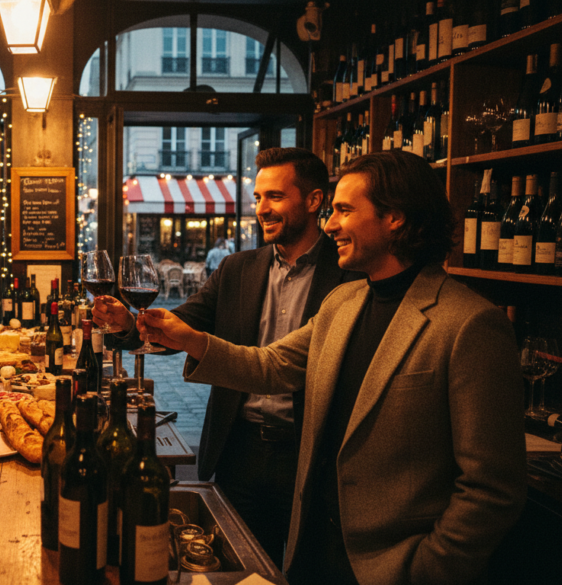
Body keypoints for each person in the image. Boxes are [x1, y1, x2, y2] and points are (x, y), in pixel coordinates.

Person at [138, 151, 527, 585]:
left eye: (344, 210)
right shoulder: (345, 301)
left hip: (394, 566)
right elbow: (271, 366)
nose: (329, 224)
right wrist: (184, 337)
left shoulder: (469, 324)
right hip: (315, 551)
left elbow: (492, 487)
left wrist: (427, 567)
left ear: (394, 217)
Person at [94, 147, 361, 566]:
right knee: (240, 567)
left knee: (311, 568)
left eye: (275, 196)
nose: (262, 209)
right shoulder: (238, 269)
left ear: (314, 201)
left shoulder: (351, 274)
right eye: (257, 198)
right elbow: (179, 327)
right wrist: (128, 325)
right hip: (240, 451)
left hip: (313, 455)